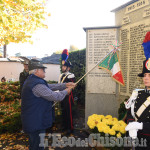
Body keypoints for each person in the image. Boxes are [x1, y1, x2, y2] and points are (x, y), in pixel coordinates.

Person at [21, 59, 76, 150]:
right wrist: (66, 91)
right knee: (37, 146)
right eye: (43, 69)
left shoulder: (33, 81)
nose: (45, 71)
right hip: (36, 122)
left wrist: (65, 84)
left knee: (35, 145)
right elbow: (55, 96)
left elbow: (49, 86)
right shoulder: (37, 84)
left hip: (34, 120)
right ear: (37, 70)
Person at [125, 59, 150, 149]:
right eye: (145, 75)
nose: (146, 78)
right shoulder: (138, 94)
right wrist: (131, 125)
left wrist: (140, 126)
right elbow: (130, 113)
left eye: (149, 75)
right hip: (137, 140)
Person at [59, 60, 75, 134]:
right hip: (62, 95)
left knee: (69, 112)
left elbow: (72, 86)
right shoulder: (61, 75)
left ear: (68, 68)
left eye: (64, 66)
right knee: (63, 111)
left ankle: (70, 128)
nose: (63, 67)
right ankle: (64, 126)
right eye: (62, 66)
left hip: (68, 96)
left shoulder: (71, 75)